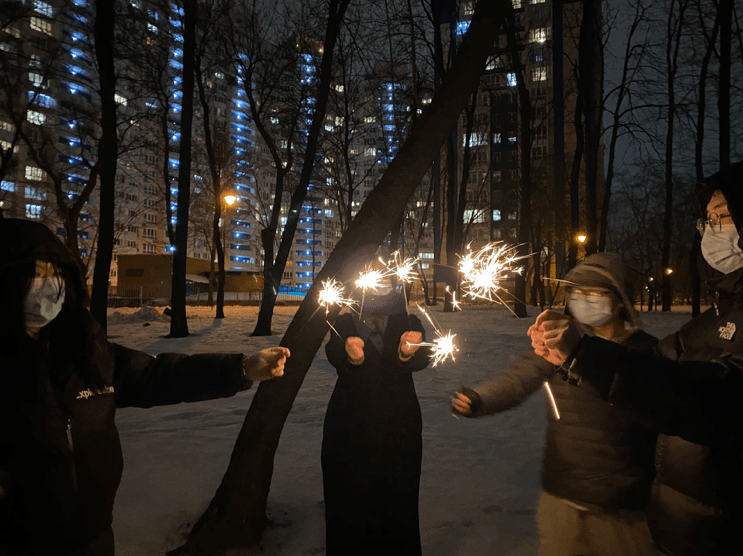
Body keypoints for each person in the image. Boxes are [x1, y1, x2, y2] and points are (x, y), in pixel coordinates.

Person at [0, 218, 290, 556]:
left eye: (55, 273)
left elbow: (157, 376)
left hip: (93, 541)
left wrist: (240, 369)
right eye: (35, 274)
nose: (47, 286)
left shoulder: (85, 355)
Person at [532, 161, 743, 556]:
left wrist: (584, 355)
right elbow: (660, 373)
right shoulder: (708, 322)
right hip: (677, 531)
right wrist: (579, 352)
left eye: (725, 217)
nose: (713, 230)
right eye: (709, 219)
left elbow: (708, 397)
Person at [451, 253, 659, 556]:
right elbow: (519, 378)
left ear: (618, 299)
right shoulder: (561, 344)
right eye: (576, 292)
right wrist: (480, 398)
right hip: (561, 500)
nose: (584, 299)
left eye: (595, 293)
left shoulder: (646, 353)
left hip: (622, 512)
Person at [322, 288, 431, 556]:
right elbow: (334, 350)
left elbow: (424, 354)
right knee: (349, 512)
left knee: (398, 510)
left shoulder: (408, 323)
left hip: (399, 430)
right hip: (348, 430)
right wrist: (352, 359)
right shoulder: (346, 323)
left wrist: (407, 355)